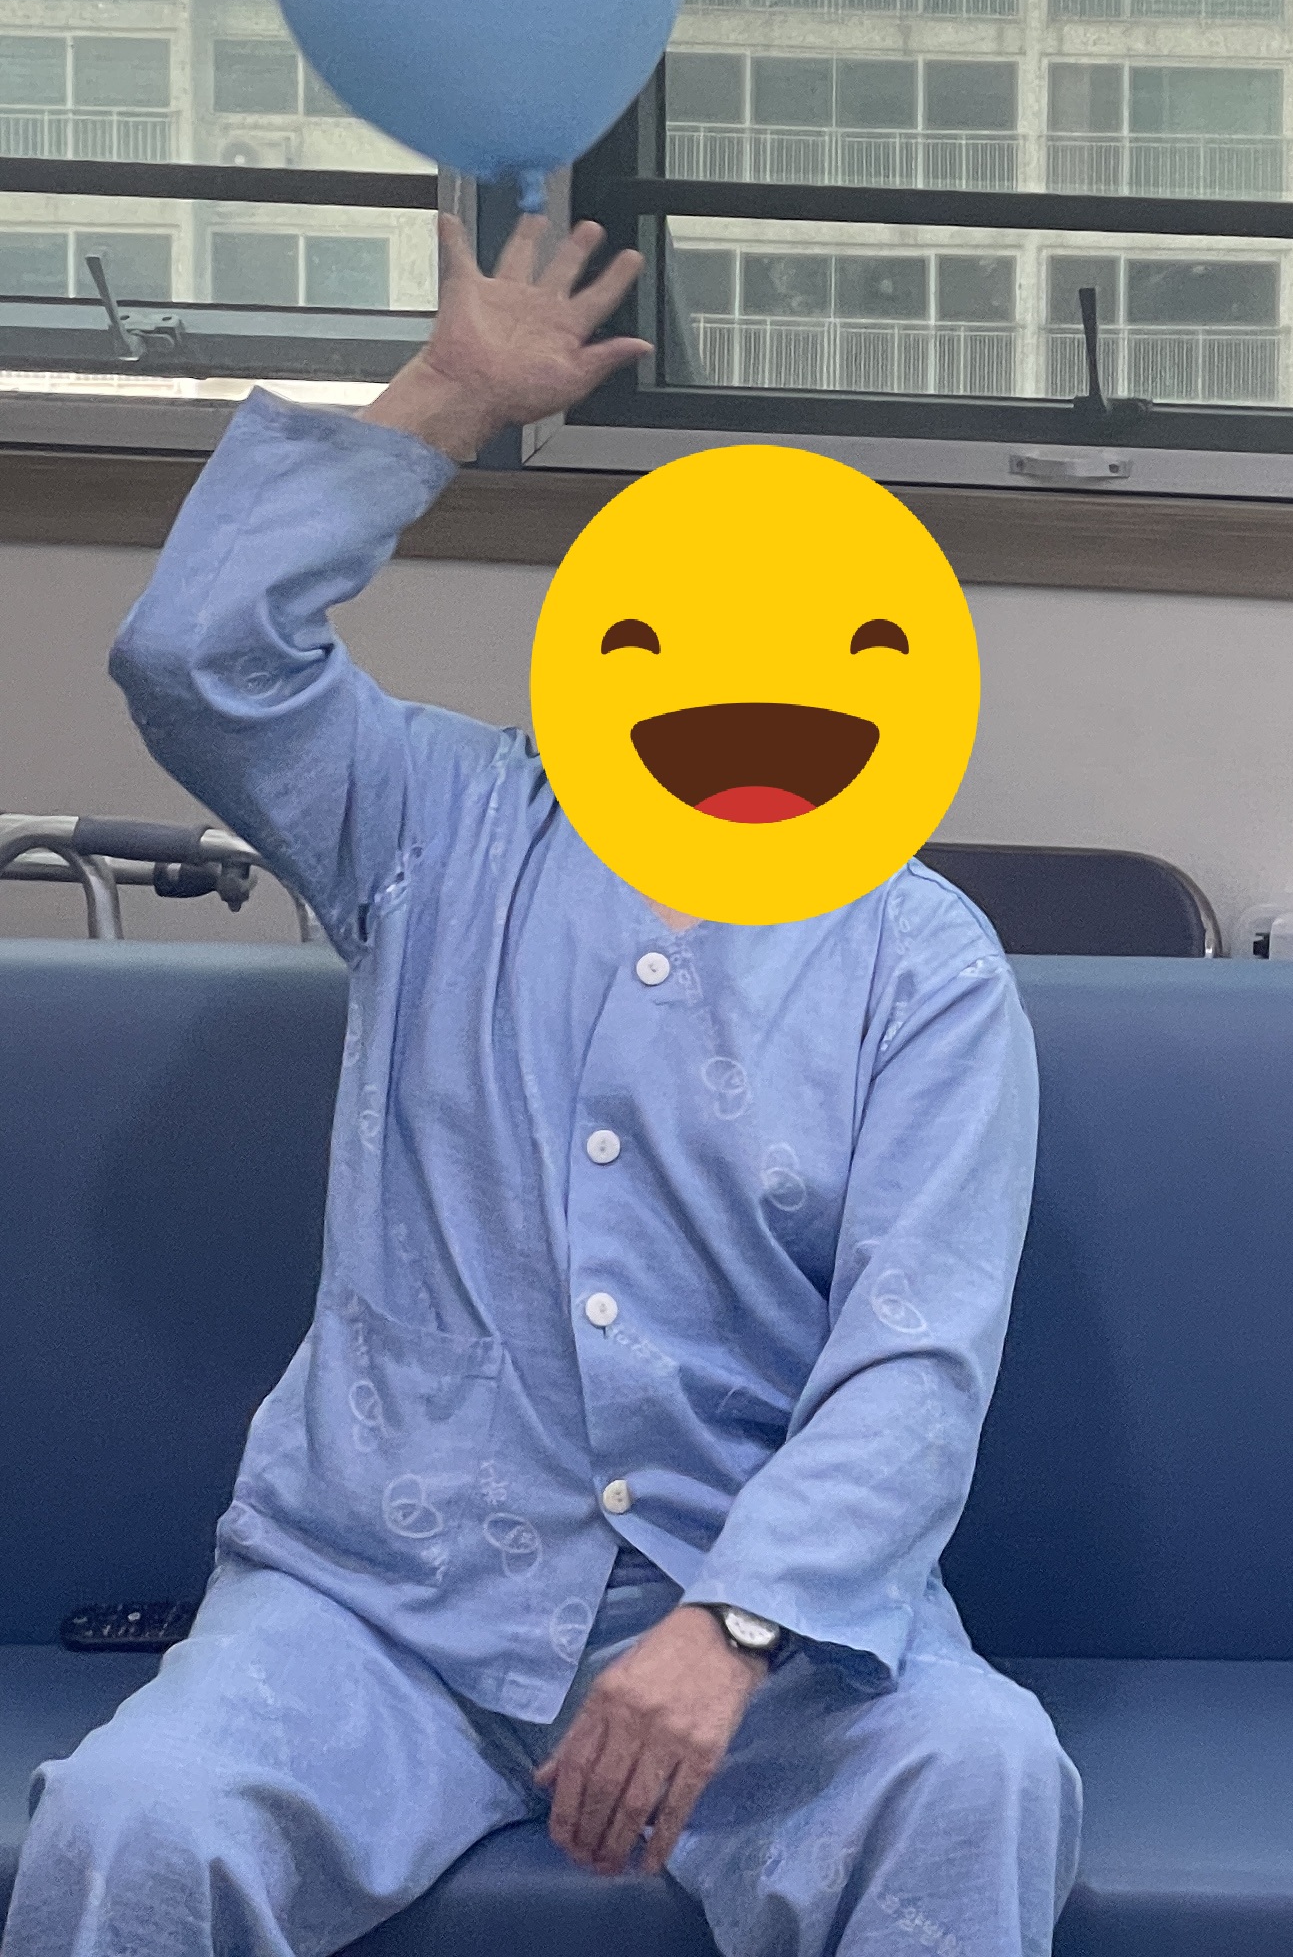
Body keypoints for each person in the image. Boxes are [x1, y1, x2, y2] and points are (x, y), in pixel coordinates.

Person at [6, 216, 1078, 1957]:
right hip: (377, 1609)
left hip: (747, 1639)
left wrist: (735, 1626)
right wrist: (445, 396)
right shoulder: (433, 820)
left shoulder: (921, 959)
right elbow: (196, 657)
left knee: (982, 1772)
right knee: (137, 1823)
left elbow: (916, 1357)